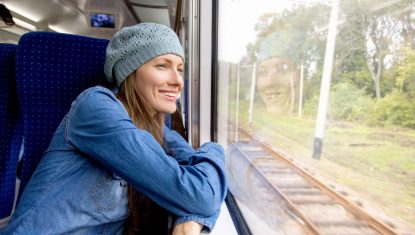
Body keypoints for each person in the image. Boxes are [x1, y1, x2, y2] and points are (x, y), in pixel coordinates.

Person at [0, 23, 227, 235]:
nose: (178, 81)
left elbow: (206, 186)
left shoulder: (159, 131)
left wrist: (194, 217)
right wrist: (199, 202)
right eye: (162, 66)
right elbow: (202, 196)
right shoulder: (95, 106)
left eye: (180, 69)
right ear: (130, 72)